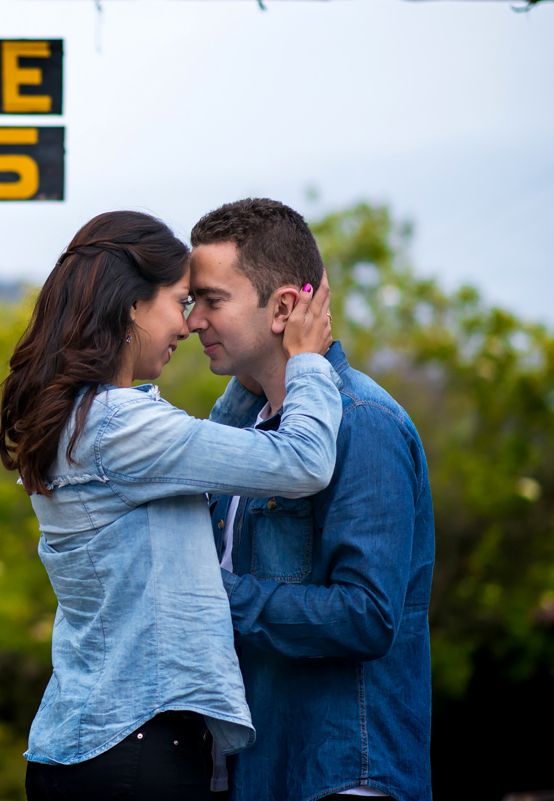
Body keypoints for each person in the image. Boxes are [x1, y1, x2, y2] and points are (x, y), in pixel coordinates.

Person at [0, 210, 341, 801]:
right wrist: (305, 358)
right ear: (132, 306)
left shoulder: (78, 419)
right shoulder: (120, 425)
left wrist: (252, 360)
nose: (188, 325)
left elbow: (208, 446)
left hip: (82, 744)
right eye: (180, 302)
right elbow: (301, 461)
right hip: (138, 746)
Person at [187, 198, 434, 801]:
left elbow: (366, 615)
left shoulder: (363, 423)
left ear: (285, 308)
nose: (194, 320)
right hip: (267, 770)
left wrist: (204, 595)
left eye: (212, 300)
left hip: (342, 774)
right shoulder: (259, 432)